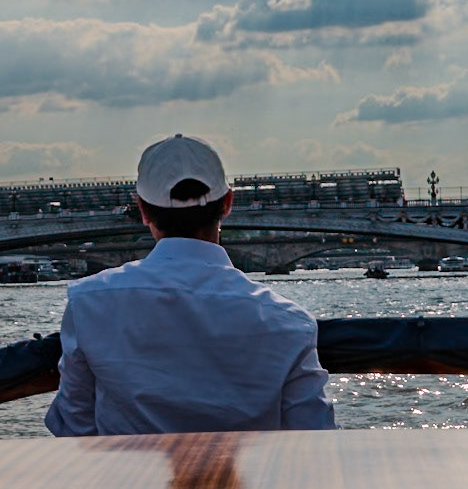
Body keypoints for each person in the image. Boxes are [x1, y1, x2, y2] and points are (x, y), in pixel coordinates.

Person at [45, 134, 335, 435]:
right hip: (247, 482)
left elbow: (74, 425)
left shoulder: (88, 302)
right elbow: (315, 435)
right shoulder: (290, 322)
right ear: (227, 203)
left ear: (143, 210)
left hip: (128, 481)